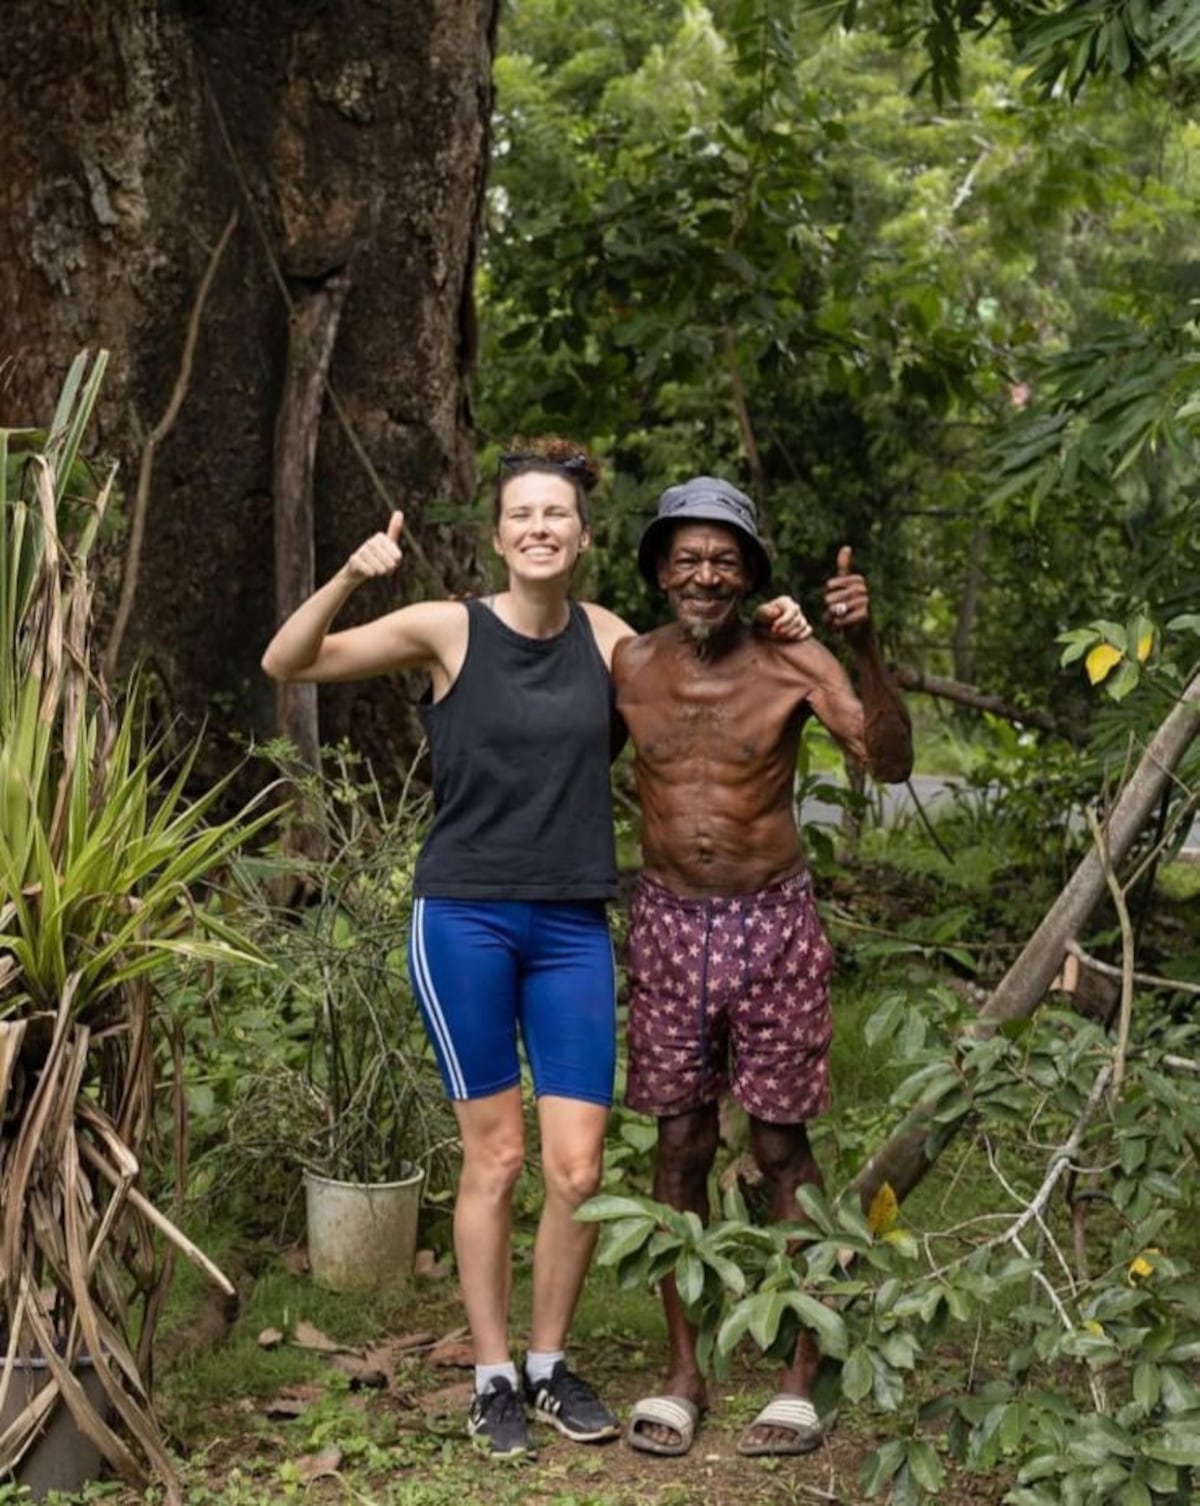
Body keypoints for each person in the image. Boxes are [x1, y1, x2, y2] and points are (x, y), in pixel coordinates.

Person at [261, 443, 807, 1460]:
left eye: (558, 514)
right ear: (500, 532)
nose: (541, 528)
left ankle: (551, 1367)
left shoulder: (612, 642)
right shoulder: (445, 627)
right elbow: (288, 662)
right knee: (497, 1157)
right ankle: (491, 1375)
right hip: (463, 918)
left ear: (585, 536)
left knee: (577, 1167)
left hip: (570, 926)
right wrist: (346, 577)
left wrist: (785, 628)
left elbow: (708, 675)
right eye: (523, 514)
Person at [610, 476, 913, 1459]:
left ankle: (798, 1371)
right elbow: (559, 753)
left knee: (782, 1146)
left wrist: (861, 646)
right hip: (666, 923)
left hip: (771, 922)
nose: (704, 574)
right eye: (686, 557)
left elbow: (891, 763)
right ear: (660, 570)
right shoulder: (629, 663)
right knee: (679, 1146)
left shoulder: (792, 659)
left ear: (749, 575)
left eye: (723, 558)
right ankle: (686, 1370)